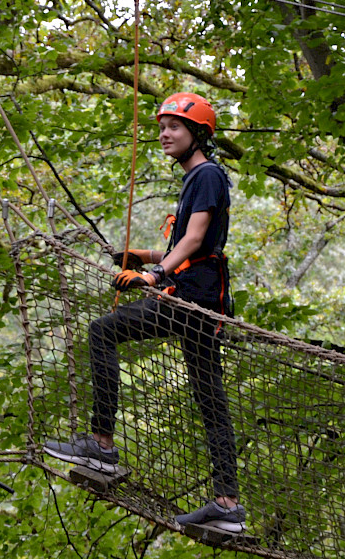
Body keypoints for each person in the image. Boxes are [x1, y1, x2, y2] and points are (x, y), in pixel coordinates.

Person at [43, 92, 243, 535]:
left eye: (174, 127)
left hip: (189, 299)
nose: (164, 135)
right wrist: (141, 256)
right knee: (211, 400)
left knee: (101, 332)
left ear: (199, 135)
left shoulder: (206, 174)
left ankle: (101, 445)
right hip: (201, 300)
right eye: (161, 127)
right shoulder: (199, 178)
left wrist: (155, 274)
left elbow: (194, 241)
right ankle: (227, 503)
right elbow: (188, 246)